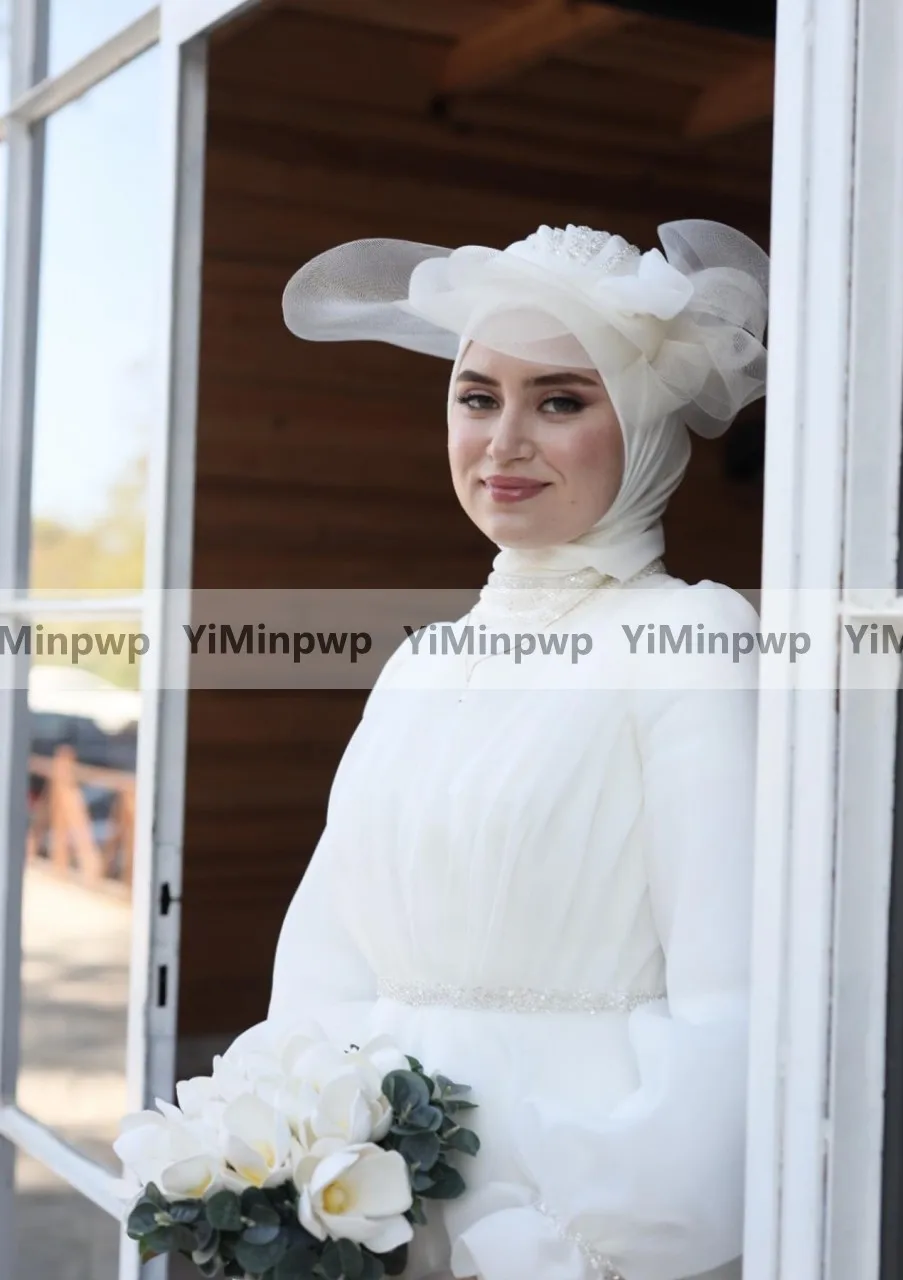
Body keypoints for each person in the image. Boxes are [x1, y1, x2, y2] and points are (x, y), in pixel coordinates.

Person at [227, 220, 769, 1280]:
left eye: (560, 399)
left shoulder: (690, 640)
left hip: (567, 1223)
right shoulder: (422, 661)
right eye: (478, 397)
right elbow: (325, 957)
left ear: (646, 424)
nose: (503, 439)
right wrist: (290, 1165)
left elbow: (738, 1005)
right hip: (371, 1218)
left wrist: (582, 1239)